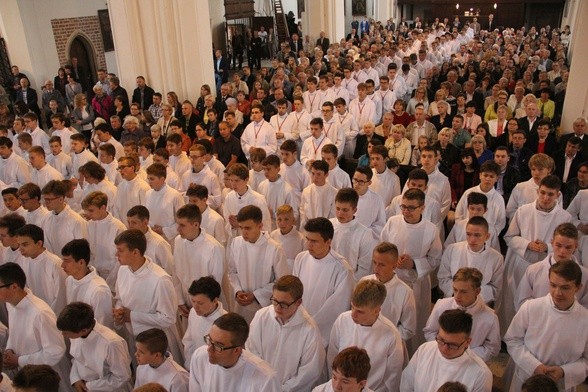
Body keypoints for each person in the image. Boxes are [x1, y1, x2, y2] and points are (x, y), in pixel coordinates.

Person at [500, 175, 572, 334]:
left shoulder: (565, 217)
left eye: (551, 194)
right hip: (521, 263)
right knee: (513, 300)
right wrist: (527, 244)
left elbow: (568, 246)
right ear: (538, 191)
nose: (546, 198)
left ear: (558, 195)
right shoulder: (523, 210)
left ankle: (534, 334)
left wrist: (547, 247)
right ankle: (511, 334)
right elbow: (509, 237)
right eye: (543, 193)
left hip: (547, 268)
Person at [505, 260, 588, 392]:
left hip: (561, 383)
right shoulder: (531, 307)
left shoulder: (585, 319)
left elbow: (586, 360)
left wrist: (564, 371)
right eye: (553, 285)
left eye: (565, 287)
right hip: (528, 376)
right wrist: (534, 366)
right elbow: (512, 340)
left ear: (578, 287)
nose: (557, 293)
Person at [380, 188, 443, 352]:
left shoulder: (430, 229)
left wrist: (414, 264)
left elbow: (435, 258)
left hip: (415, 283)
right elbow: (382, 247)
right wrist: (391, 260)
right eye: (403, 206)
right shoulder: (393, 222)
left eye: (411, 208)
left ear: (422, 208)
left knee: (412, 323)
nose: (406, 211)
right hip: (391, 280)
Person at [113, 229, 183, 365]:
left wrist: (132, 316)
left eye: (120, 250)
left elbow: (168, 318)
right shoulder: (123, 270)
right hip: (136, 340)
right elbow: (120, 298)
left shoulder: (160, 279)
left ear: (135, 252)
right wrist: (119, 311)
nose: (116, 254)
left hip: (157, 345)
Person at [0, 263, 71, 392]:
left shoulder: (40, 313)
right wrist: (10, 349)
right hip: (27, 378)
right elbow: (15, 333)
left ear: (14, 287)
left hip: (47, 380)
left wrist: (20, 360)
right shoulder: (11, 304)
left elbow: (55, 351)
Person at [247, 275, 325, 391]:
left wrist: (280, 389)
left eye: (284, 304)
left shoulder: (309, 329)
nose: (277, 308)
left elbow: (309, 371)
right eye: (274, 301)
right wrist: (263, 383)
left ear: (298, 302)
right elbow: (252, 351)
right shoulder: (261, 316)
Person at [328, 280, 404, 392]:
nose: (353, 314)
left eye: (360, 311)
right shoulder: (343, 320)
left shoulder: (391, 335)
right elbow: (332, 356)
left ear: (376, 310)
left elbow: (392, 377)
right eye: (352, 307)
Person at [292, 217, 354, 345]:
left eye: (314, 241)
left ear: (328, 241)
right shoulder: (301, 258)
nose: (308, 245)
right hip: (297, 324)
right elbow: (294, 293)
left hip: (322, 332)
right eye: (307, 239)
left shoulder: (342, 268)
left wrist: (310, 325)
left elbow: (337, 307)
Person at [400, 309, 493, 392]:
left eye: (452, 345)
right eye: (441, 340)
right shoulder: (425, 350)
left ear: (467, 342)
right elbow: (407, 385)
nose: (444, 348)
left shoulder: (481, 374)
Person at [228, 205, 288, 323]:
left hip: (264, 307)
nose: (244, 232)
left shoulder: (274, 248)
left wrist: (256, 295)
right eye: (241, 227)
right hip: (241, 305)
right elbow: (232, 272)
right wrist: (238, 291)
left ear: (260, 226)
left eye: (248, 228)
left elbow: (281, 282)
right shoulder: (236, 243)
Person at [425, 268, 500, 363]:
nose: (457, 296)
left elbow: (492, 348)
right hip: (441, 358)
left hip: (470, 362)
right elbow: (430, 331)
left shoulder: (490, 318)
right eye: (455, 290)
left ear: (477, 291)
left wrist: (463, 355)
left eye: (463, 292)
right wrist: (444, 349)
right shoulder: (442, 305)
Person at [189, 313, 280, 391]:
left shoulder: (265, 378)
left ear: (237, 350)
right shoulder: (200, 357)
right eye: (209, 340)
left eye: (218, 346)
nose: (209, 349)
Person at [56, 302, 132, 392]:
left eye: (66, 332)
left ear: (84, 330)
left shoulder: (112, 343)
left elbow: (122, 377)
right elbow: (78, 358)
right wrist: (76, 378)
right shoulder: (75, 332)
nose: (63, 335)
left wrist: (90, 387)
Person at [517, 223, 588, 309]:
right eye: (558, 245)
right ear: (552, 243)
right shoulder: (534, 270)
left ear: (576, 246)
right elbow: (521, 301)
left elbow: (585, 307)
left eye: (568, 247)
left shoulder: (584, 275)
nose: (562, 251)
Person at [173, 204, 224, 321]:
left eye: (182, 225)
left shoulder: (213, 248)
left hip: (206, 306)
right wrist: (180, 300)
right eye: (178, 224)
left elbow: (215, 284)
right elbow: (176, 271)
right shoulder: (178, 241)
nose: (178, 229)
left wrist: (198, 305)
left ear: (195, 224)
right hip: (185, 302)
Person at [60, 238, 113, 328]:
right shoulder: (69, 280)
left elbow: (103, 326)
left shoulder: (99, 290)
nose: (62, 265)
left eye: (67, 261)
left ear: (81, 262)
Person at [330, 188, 376, 281]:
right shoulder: (328, 225)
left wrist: (348, 284)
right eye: (337, 208)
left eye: (345, 210)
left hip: (351, 282)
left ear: (354, 210)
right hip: (327, 277)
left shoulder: (364, 233)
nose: (340, 214)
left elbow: (364, 268)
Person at [182, 277, 227, 369]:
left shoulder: (225, 321)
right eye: (193, 301)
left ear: (214, 301)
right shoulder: (193, 312)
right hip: (194, 364)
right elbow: (188, 340)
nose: (195, 307)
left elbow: (223, 354)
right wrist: (190, 364)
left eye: (200, 303)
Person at [222, 163, 272, 238]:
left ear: (246, 179)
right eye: (231, 180)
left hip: (254, 243)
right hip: (236, 242)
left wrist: (240, 225)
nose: (233, 184)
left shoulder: (258, 200)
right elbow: (227, 222)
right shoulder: (229, 197)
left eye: (236, 180)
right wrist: (233, 226)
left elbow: (266, 227)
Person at [144, 163, 185, 241]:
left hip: (169, 238)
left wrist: (164, 230)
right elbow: (146, 216)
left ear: (162, 179)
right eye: (148, 178)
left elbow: (182, 220)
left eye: (152, 179)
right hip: (151, 236)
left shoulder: (175, 195)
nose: (149, 182)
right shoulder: (148, 194)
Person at [257, 154, 298, 230]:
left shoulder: (287, 189)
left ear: (278, 169)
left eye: (268, 169)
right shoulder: (261, 186)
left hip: (280, 228)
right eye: (264, 169)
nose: (265, 172)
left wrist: (275, 215)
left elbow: (294, 214)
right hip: (264, 227)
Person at [300, 160, 337, 227]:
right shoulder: (306, 191)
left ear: (326, 175)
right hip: (309, 228)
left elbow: (333, 215)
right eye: (313, 173)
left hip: (325, 228)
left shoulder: (334, 193)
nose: (314, 177)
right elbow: (303, 213)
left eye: (318, 174)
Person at [352, 166, 386, 238]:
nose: (356, 184)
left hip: (366, 238)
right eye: (355, 180)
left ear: (369, 183)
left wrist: (362, 233)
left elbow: (380, 225)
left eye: (361, 182)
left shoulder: (377, 200)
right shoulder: (346, 195)